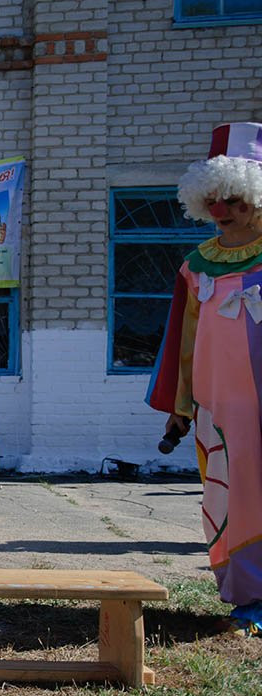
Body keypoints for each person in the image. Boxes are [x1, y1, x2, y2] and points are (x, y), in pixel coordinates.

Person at [149, 121, 262, 637]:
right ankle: (247, 596)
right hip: (218, 408)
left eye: (234, 200)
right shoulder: (196, 266)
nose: (221, 211)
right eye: (213, 199)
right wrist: (181, 405)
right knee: (227, 497)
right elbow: (183, 341)